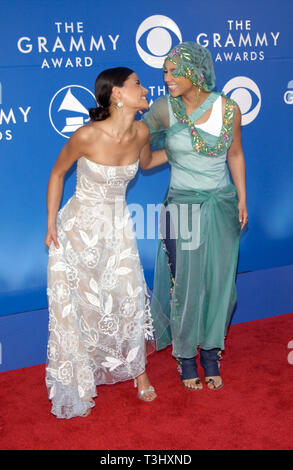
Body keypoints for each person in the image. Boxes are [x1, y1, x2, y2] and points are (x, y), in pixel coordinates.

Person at [45, 67, 157, 419]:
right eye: (136, 84)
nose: (144, 88)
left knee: (129, 299)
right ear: (117, 94)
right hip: (78, 232)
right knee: (85, 308)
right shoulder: (87, 136)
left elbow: (150, 162)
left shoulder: (142, 131)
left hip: (117, 230)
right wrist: (51, 224)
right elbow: (57, 172)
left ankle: (140, 375)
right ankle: (82, 378)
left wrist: (191, 154)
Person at [140, 42, 248, 391]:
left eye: (174, 72)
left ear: (195, 73)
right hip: (181, 206)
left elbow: (235, 154)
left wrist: (242, 199)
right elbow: (143, 150)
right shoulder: (162, 110)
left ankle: (212, 353)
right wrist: (159, 150)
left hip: (222, 204)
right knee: (186, 287)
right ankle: (186, 357)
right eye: (165, 73)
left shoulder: (229, 108)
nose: (167, 79)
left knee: (220, 285)